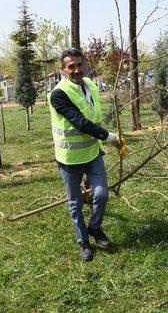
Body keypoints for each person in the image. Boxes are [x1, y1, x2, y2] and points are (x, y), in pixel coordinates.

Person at [49, 47, 126, 261]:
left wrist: (105, 139)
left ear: (84, 65)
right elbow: (80, 122)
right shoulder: (58, 95)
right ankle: (83, 242)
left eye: (79, 64)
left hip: (92, 153)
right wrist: (109, 137)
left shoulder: (90, 85)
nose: (76, 69)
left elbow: (93, 118)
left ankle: (95, 227)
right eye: (70, 66)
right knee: (75, 204)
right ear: (63, 69)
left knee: (101, 194)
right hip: (69, 158)